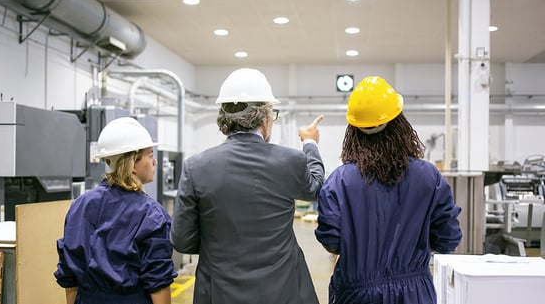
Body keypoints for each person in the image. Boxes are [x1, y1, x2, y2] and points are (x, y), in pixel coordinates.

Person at [171, 67, 325, 304]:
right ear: (264, 118)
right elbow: (315, 187)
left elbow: (182, 240)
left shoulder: (195, 167)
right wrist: (310, 144)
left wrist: (218, 246)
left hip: (219, 292)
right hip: (284, 292)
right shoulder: (288, 161)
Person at [315, 76, 462, 304]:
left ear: (353, 131)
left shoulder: (339, 182)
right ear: (400, 124)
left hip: (357, 295)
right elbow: (448, 238)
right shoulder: (428, 177)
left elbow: (331, 241)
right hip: (414, 294)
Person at [54, 117, 177, 304]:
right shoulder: (152, 214)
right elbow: (158, 282)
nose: (155, 163)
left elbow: (70, 274)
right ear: (133, 163)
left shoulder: (80, 205)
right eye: (150, 156)